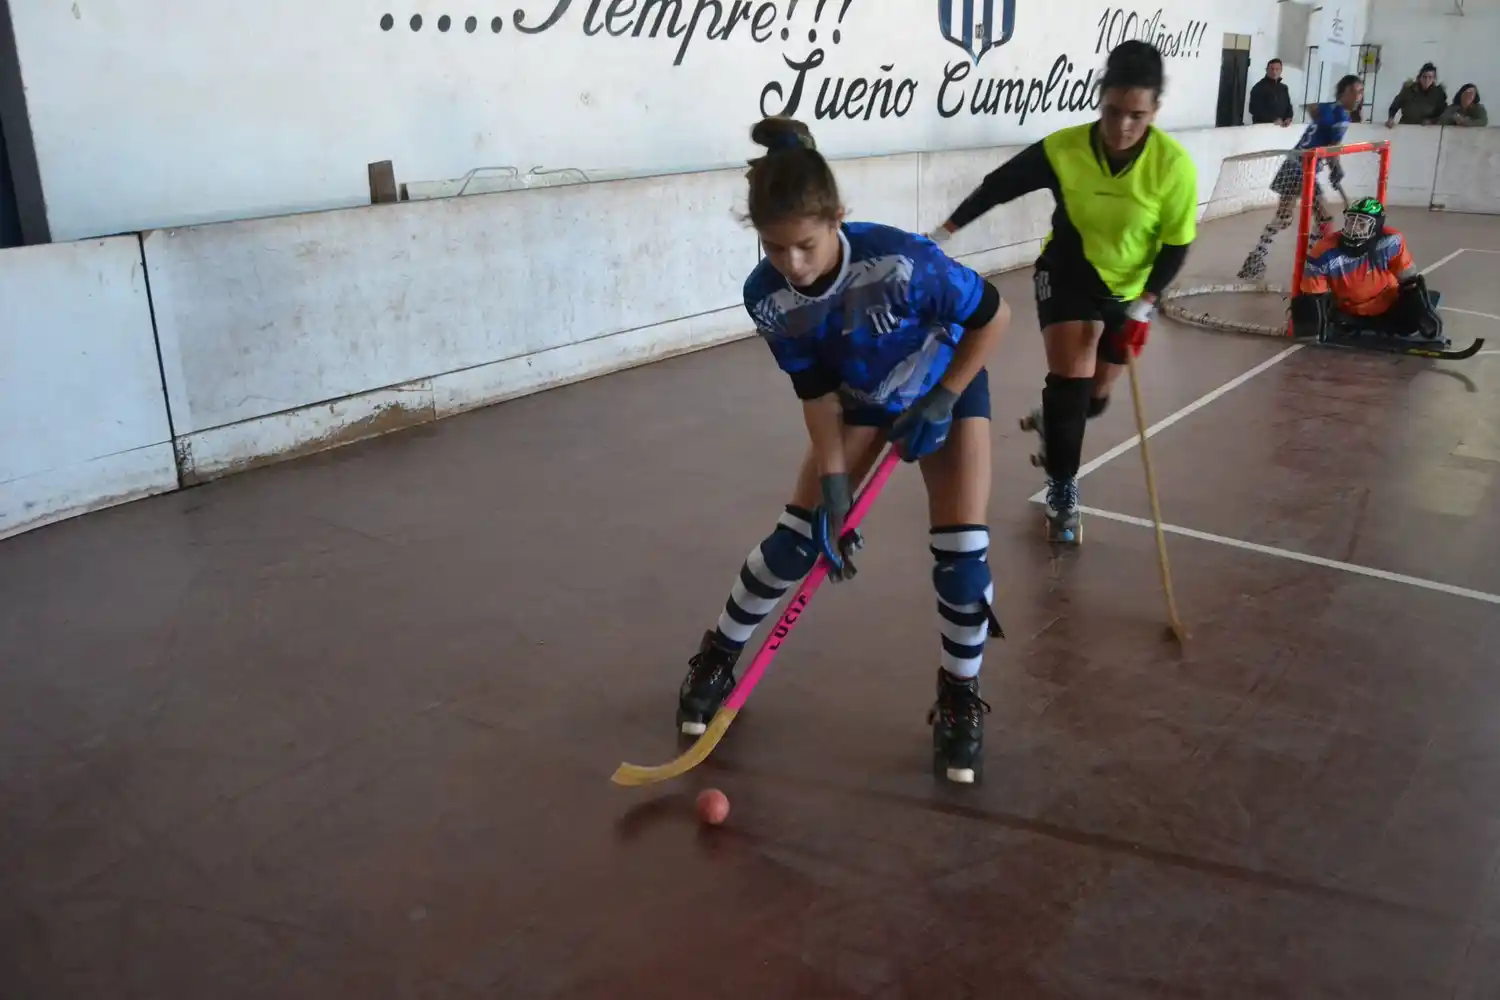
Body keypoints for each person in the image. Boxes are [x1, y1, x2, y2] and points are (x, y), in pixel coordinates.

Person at [674, 116, 1013, 784]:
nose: (791, 265)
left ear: (837, 218)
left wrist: (941, 398)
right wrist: (833, 481)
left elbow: (993, 317)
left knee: (962, 565)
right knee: (794, 543)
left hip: (945, 382)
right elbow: (817, 390)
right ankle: (717, 653)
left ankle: (958, 697)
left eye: (804, 245)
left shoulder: (904, 262)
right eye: (774, 248)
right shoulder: (767, 297)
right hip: (859, 400)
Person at [927, 40, 1196, 544]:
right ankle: (1063, 487)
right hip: (1068, 272)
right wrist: (940, 236)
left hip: (1131, 288)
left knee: (1096, 396)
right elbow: (999, 185)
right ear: (1101, 99)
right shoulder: (1064, 148)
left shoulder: (1173, 166)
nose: (1122, 127)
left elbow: (1177, 245)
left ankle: (1056, 424)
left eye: (1137, 115)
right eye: (1113, 111)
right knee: (1071, 381)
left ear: (1155, 109)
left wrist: (1143, 306)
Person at [1237, 74, 1364, 282]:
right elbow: (1333, 148)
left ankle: (1257, 256)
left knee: (1284, 218)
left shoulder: (1327, 108)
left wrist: (1320, 133)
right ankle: (1311, 265)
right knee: (1324, 219)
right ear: (1346, 92)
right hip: (1304, 168)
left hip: (1292, 162)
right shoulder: (1342, 116)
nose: (1360, 97)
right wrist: (1335, 168)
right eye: (1357, 91)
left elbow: (1311, 108)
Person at [1292, 197, 1444, 346]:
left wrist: (1422, 310)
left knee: (1410, 324)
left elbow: (1409, 281)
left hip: (1389, 305)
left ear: (1376, 227)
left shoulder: (1391, 241)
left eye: (1361, 223)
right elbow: (1314, 295)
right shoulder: (1323, 251)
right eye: (1351, 221)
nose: (1353, 228)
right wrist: (1313, 325)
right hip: (1350, 311)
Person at [1249, 58, 1294, 126]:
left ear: (1281, 70)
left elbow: (1288, 106)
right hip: (1263, 128)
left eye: (1277, 69)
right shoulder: (1259, 88)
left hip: (1281, 127)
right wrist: (1273, 119)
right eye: (1272, 69)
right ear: (1266, 70)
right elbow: (1254, 109)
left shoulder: (1284, 88)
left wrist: (1289, 118)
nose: (1274, 72)